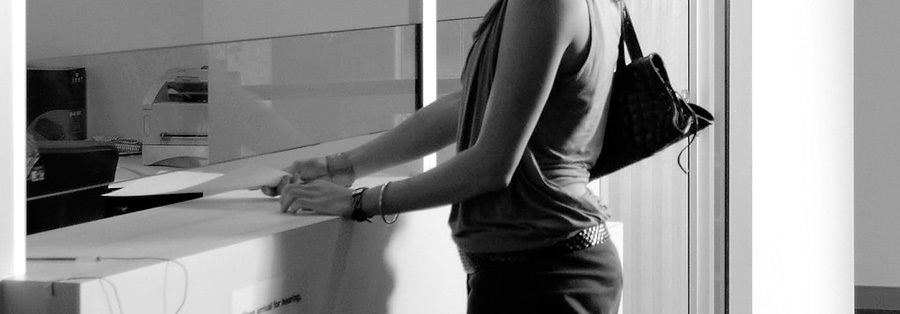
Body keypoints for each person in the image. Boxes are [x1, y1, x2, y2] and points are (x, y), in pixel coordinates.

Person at [263, 0, 624, 312]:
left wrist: (360, 202)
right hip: (534, 269)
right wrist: (341, 166)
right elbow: (466, 105)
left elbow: (492, 166)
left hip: (545, 276)